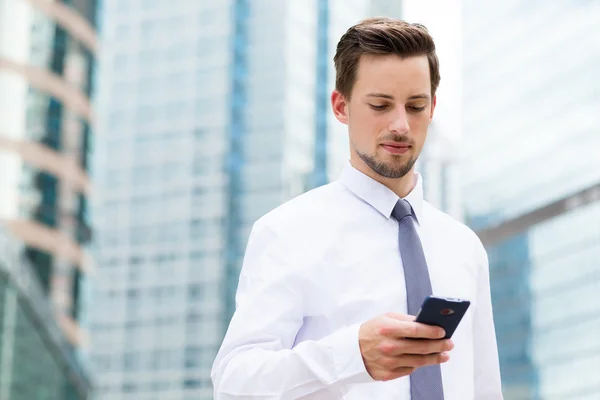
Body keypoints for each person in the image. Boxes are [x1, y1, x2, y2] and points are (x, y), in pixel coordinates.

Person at [211, 17, 503, 399]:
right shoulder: (287, 231)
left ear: (432, 108)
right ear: (340, 106)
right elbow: (234, 383)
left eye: (415, 106)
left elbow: (484, 388)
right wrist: (352, 356)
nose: (400, 125)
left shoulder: (464, 246)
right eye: (380, 105)